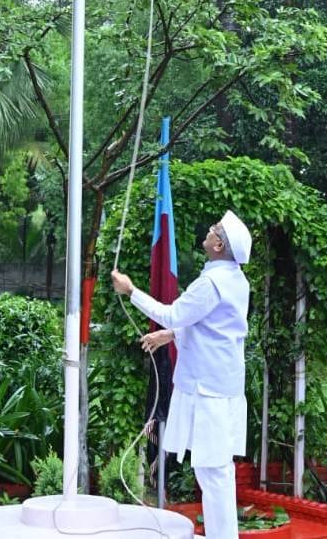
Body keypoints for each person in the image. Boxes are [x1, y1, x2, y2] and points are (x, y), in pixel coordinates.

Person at [111, 210, 251, 539]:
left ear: (218, 245)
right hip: (217, 385)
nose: (209, 229)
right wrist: (170, 334)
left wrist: (131, 291)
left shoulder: (212, 283)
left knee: (214, 471)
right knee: (214, 471)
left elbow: (173, 312)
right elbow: (209, 324)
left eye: (214, 229)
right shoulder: (233, 280)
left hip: (209, 389)